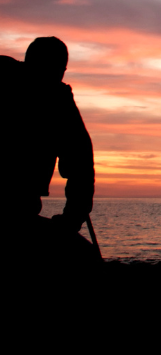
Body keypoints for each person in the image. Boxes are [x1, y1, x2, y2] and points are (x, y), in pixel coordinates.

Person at [0, 37, 96, 255]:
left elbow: (80, 165)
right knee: (83, 256)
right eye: (59, 69)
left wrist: (70, 221)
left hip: (22, 209)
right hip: (18, 212)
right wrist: (70, 223)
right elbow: (81, 166)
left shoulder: (58, 99)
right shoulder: (57, 99)